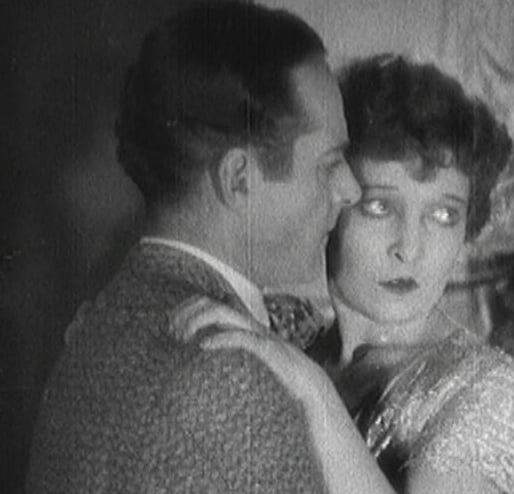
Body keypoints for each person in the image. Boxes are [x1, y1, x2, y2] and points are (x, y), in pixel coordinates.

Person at [26, 3, 391, 493]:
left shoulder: (94, 330)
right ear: (239, 178)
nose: (350, 189)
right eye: (329, 164)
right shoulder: (236, 373)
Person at [177, 55, 514, 494]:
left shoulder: (490, 393)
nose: (409, 248)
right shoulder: (289, 339)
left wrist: (315, 394)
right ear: (329, 207)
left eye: (443, 215)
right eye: (379, 207)